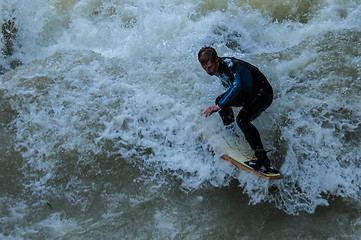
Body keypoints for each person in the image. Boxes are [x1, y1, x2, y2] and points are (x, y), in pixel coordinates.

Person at [198, 46, 277, 173]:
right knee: (220, 100)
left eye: (209, 67)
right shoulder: (217, 68)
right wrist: (221, 104)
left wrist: (219, 106)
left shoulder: (230, 66)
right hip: (249, 94)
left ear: (217, 60)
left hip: (263, 94)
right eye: (204, 69)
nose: (208, 71)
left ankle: (263, 160)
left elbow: (236, 86)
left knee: (242, 120)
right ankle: (232, 135)